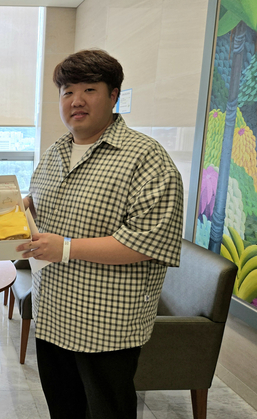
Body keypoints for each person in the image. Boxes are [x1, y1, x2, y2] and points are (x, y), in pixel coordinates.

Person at [16, 49, 184, 419]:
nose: (76, 100)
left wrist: (67, 248)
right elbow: (42, 211)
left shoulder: (146, 158)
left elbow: (146, 243)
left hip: (104, 324)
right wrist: (21, 209)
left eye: (89, 89)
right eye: (67, 91)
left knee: (106, 411)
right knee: (63, 408)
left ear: (113, 95)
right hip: (53, 314)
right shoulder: (55, 151)